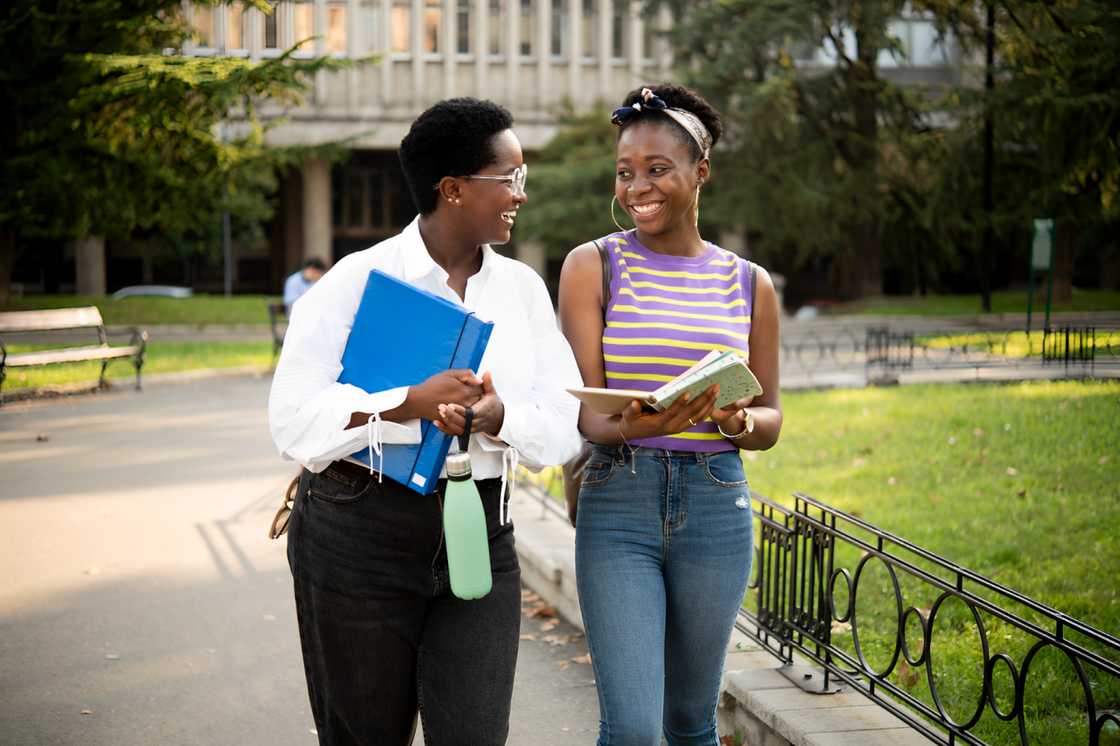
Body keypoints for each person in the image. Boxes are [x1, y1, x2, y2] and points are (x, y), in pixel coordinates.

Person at [268, 98, 582, 746]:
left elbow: (564, 425)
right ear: (454, 189)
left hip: (480, 535)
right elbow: (292, 422)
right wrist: (405, 401)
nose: (521, 193)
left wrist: (501, 417)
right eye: (510, 177)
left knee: (474, 733)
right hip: (357, 535)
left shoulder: (522, 289)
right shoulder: (355, 282)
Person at [558, 84, 783, 746]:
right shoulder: (590, 265)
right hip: (618, 498)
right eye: (626, 172)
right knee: (631, 729)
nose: (638, 187)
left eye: (658, 169)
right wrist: (639, 424)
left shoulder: (749, 283)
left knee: (689, 723)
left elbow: (771, 419)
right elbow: (589, 418)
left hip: (717, 505)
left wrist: (738, 422)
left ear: (700, 172)